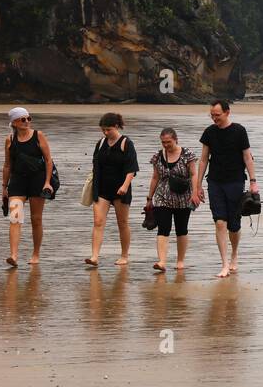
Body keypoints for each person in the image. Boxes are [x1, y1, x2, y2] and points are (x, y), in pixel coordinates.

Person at [193, 99, 259, 278]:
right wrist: (197, 186)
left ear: (227, 112)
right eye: (212, 115)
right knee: (219, 222)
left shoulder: (239, 131)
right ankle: (223, 264)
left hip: (236, 182)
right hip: (215, 182)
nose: (214, 119)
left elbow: (247, 157)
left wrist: (253, 182)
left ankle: (234, 255)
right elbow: (204, 159)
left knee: (234, 225)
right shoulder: (209, 132)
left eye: (217, 115)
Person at [2, 107, 54, 268]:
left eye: (28, 118)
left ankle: (36, 254)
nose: (27, 122)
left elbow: (48, 160)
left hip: (37, 180)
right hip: (17, 181)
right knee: (15, 218)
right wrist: (4, 187)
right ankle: (14, 255)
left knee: (36, 219)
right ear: (14, 123)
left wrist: (47, 182)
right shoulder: (10, 139)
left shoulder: (38, 135)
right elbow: (7, 165)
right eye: (22, 119)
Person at [85, 112, 138, 267]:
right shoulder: (100, 144)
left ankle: (124, 256)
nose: (105, 133)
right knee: (98, 222)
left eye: (108, 130)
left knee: (122, 223)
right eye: (103, 130)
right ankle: (94, 256)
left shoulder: (126, 143)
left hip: (121, 189)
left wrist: (125, 186)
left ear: (116, 126)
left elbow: (132, 168)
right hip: (101, 189)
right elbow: (96, 166)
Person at [146, 128, 198, 272]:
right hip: (162, 197)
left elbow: (194, 174)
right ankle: (161, 261)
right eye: (163, 142)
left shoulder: (187, 155)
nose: (166, 145)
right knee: (163, 228)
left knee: (181, 229)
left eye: (168, 142)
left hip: (183, 198)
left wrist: (195, 192)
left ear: (176, 139)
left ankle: (180, 261)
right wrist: (149, 198)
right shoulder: (157, 156)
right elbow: (155, 177)